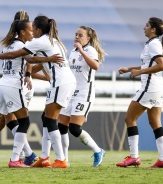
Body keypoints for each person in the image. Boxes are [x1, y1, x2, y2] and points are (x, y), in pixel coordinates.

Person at [0, 16, 60, 168]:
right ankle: (15, 159)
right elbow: (29, 60)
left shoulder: (8, 45)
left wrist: (44, 63)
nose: (32, 33)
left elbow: (26, 63)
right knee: (24, 122)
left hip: (2, 85)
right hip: (13, 86)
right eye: (29, 30)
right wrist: (49, 58)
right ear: (22, 32)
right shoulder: (18, 47)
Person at [0, 15, 76, 168]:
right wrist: (45, 62)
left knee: (50, 120)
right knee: (46, 118)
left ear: (39, 29)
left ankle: (60, 159)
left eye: (33, 28)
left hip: (60, 83)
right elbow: (31, 60)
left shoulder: (40, 41)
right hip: (64, 81)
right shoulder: (53, 40)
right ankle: (45, 158)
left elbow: (15, 55)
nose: (32, 31)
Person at [116, 17, 163, 168]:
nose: (143, 27)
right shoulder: (153, 44)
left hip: (150, 87)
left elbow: (161, 66)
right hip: (159, 88)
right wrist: (129, 69)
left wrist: (141, 72)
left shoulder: (153, 45)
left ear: (153, 29)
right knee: (155, 123)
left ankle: (134, 157)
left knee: (129, 118)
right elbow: (148, 64)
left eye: (146, 25)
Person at [58, 26, 106, 167]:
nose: (77, 37)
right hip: (71, 93)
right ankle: (64, 159)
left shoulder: (90, 50)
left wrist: (82, 51)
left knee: (74, 128)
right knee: (62, 126)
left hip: (84, 94)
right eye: (76, 34)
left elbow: (95, 66)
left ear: (88, 39)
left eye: (80, 35)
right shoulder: (72, 52)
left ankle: (98, 151)